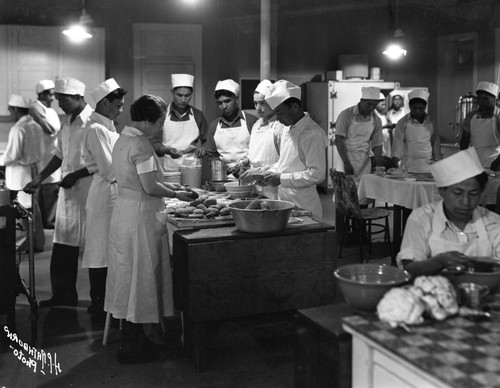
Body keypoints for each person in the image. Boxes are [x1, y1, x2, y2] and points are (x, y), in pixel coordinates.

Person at [104, 94, 196, 364]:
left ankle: (133, 339)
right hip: (140, 217)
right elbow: (150, 187)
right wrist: (179, 195)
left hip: (124, 213)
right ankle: (135, 346)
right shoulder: (141, 145)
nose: (160, 128)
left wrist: (173, 187)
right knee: (141, 277)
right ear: (145, 121)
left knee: (128, 276)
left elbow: (145, 180)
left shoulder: (123, 139)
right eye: (158, 122)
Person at [24, 77, 93, 307]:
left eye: (63, 100)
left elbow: (105, 161)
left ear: (77, 97)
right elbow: (59, 154)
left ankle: (100, 303)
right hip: (68, 194)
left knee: (94, 250)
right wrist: (39, 178)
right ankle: (63, 295)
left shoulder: (95, 121)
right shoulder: (67, 121)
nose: (59, 104)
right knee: (63, 246)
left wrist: (76, 175)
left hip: (90, 192)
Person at [397, 147, 500, 277]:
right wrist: (438, 262)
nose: (465, 201)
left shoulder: (493, 222)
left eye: (473, 194)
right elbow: (409, 268)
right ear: (442, 191)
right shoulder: (421, 219)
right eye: (457, 193)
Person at [247, 80, 327, 221]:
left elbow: (317, 174)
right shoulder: (287, 129)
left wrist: (281, 178)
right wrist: (264, 172)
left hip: (304, 205)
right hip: (285, 202)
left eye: (280, 113)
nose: (278, 118)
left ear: (294, 106)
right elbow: (285, 163)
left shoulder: (312, 133)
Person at [82, 78, 126, 325]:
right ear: (104, 102)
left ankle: (104, 304)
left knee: (108, 250)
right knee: (100, 251)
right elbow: (110, 169)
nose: (120, 110)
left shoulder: (107, 126)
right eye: (117, 105)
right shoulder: (96, 129)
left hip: (111, 192)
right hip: (104, 194)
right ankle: (99, 307)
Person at [1, 94, 45, 251]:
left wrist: (1, 160)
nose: (10, 113)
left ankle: (23, 245)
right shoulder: (36, 126)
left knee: (19, 210)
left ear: (15, 109)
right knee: (33, 207)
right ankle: (37, 243)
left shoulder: (18, 128)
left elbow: (12, 155)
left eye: (10, 110)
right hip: (33, 170)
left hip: (20, 173)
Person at [150, 73, 208, 172]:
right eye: (179, 95)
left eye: (187, 95)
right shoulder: (161, 115)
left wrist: (203, 148)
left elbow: (207, 140)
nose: (183, 100)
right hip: (167, 165)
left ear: (192, 93)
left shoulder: (198, 115)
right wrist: (166, 150)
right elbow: (153, 142)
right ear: (172, 92)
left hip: (191, 165)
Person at [239, 79, 285, 199]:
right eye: (255, 103)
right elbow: (254, 153)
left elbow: (285, 162)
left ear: (273, 102)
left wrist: (259, 172)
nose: (258, 108)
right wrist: (246, 162)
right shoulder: (256, 125)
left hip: (273, 187)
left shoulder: (280, 126)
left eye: (262, 103)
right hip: (256, 187)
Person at [205, 79, 258, 175]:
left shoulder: (252, 122)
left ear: (236, 99)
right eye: (220, 103)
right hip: (224, 177)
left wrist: (243, 167)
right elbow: (211, 154)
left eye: (227, 101)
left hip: (248, 175)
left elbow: (258, 151)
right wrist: (222, 169)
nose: (224, 106)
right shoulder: (214, 126)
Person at [333, 86, 384, 184]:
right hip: (345, 160)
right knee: (345, 196)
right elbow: (339, 139)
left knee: (363, 196)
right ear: (362, 100)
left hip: (364, 163)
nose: (371, 108)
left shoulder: (376, 120)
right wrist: (346, 162)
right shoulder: (346, 115)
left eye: (374, 105)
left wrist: (379, 165)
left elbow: (377, 144)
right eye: (369, 104)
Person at [29, 79, 61, 229]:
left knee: (51, 186)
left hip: (52, 153)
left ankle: (48, 221)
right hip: (43, 155)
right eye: (51, 95)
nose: (53, 98)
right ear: (42, 95)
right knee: (47, 186)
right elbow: (49, 130)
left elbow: (53, 130)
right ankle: (47, 222)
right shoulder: (36, 108)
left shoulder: (50, 111)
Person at [392, 89, 442, 173]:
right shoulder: (403, 122)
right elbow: (398, 143)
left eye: (420, 108)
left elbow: (435, 144)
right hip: (408, 167)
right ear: (409, 106)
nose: (417, 111)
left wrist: (438, 163)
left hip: (428, 167)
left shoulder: (432, 122)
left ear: (425, 107)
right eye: (414, 108)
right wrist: (395, 161)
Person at [460, 81, 500, 169]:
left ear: (494, 99)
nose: (481, 102)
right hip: (475, 165)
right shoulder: (471, 116)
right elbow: (464, 142)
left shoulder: (498, 115)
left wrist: (498, 162)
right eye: (479, 98)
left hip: (494, 164)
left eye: (486, 99)